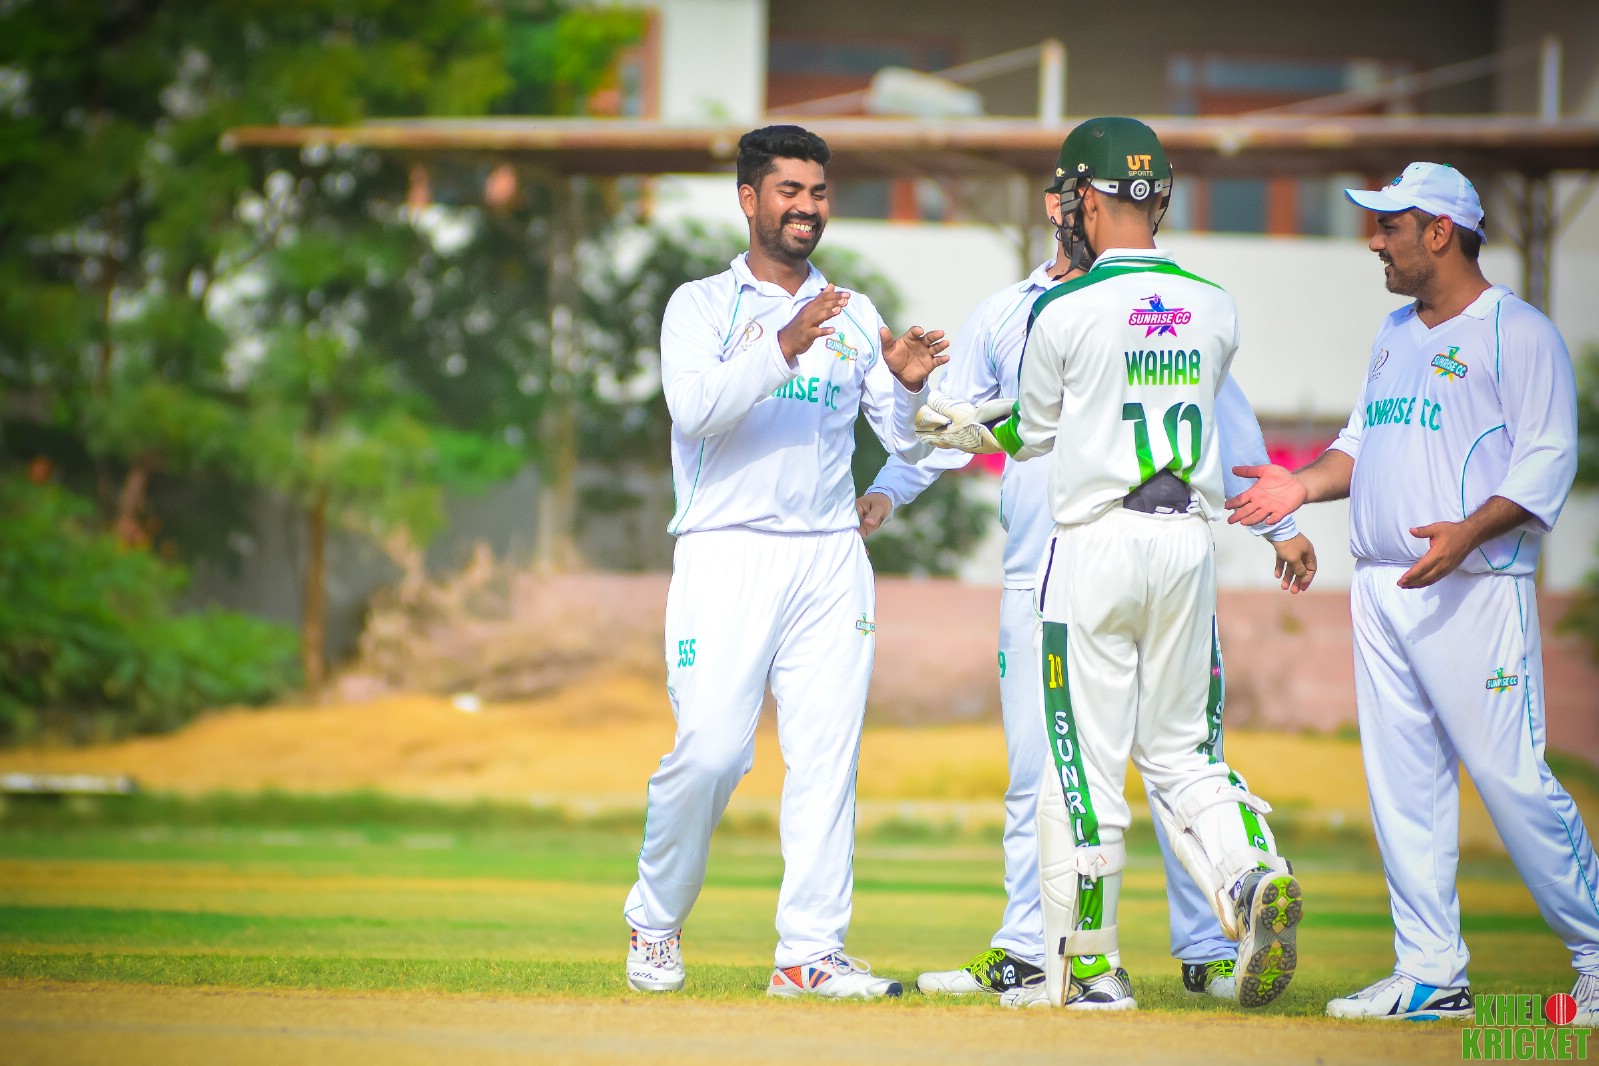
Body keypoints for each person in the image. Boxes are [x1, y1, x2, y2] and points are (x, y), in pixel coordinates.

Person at [860, 137, 1317, 1006]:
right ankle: (1252, 873)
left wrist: (930, 416)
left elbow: (1025, 431)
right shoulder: (1214, 306)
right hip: (1185, 545)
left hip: (1093, 548)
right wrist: (1279, 524)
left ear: (1087, 203)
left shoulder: (1062, 311)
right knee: (1185, 756)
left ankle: (1090, 971)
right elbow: (1222, 423)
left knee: (1079, 771)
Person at [1226, 161, 1599, 1022]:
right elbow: (1360, 444)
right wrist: (1298, 486)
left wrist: (1467, 531)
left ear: (1439, 232)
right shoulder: (1394, 332)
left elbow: (1546, 460)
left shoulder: (1517, 332)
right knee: (1403, 786)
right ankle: (1430, 971)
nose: (1374, 241)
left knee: (1510, 779)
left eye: (1389, 226)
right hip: (1379, 586)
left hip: (1473, 584)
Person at [621, 125, 950, 1000]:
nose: (806, 207)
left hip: (828, 557)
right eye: (788, 191)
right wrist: (783, 344)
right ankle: (654, 917)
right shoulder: (700, 305)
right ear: (749, 199)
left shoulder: (856, 313)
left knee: (825, 760)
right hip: (725, 551)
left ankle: (809, 953)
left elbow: (911, 442)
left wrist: (908, 387)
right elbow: (695, 411)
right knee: (711, 754)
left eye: (817, 192)